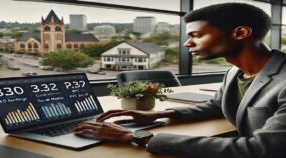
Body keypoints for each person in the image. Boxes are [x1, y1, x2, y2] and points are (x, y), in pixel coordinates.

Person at [73, 3, 286, 158]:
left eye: (196, 35)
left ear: (240, 33)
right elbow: (218, 105)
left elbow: (261, 149)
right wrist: (159, 114)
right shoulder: (234, 72)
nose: (187, 44)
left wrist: (139, 136)